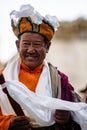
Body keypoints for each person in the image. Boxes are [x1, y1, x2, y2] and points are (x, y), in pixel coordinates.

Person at [0, 4, 82, 130]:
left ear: (47, 47)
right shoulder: (2, 78)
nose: (31, 50)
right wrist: (7, 124)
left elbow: (78, 111)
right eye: (26, 44)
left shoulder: (59, 81)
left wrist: (68, 116)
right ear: (17, 45)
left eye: (37, 44)